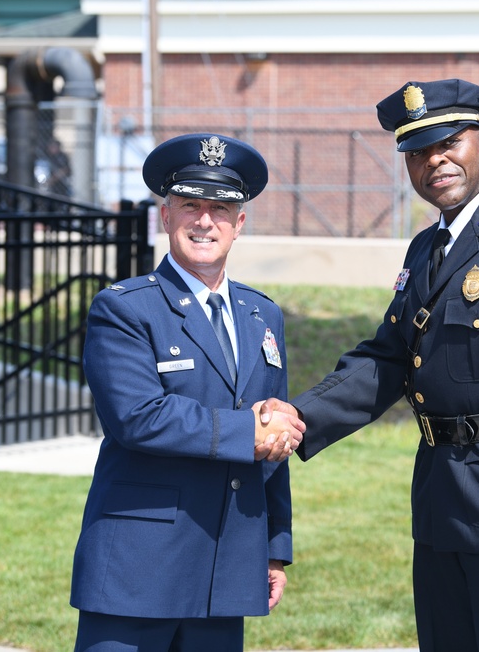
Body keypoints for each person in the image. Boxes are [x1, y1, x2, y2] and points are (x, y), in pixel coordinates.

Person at [260, 79, 479, 651]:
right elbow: (389, 359)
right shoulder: (428, 249)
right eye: (417, 150)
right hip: (442, 502)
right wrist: (298, 414)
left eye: (448, 142)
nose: (435, 160)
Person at [71, 132, 305, 652]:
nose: (205, 220)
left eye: (220, 208)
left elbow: (275, 438)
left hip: (228, 562)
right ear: (166, 216)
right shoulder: (126, 308)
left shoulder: (261, 314)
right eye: (190, 205)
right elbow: (138, 416)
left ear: (239, 223)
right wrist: (252, 430)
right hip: (139, 566)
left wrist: (273, 548)